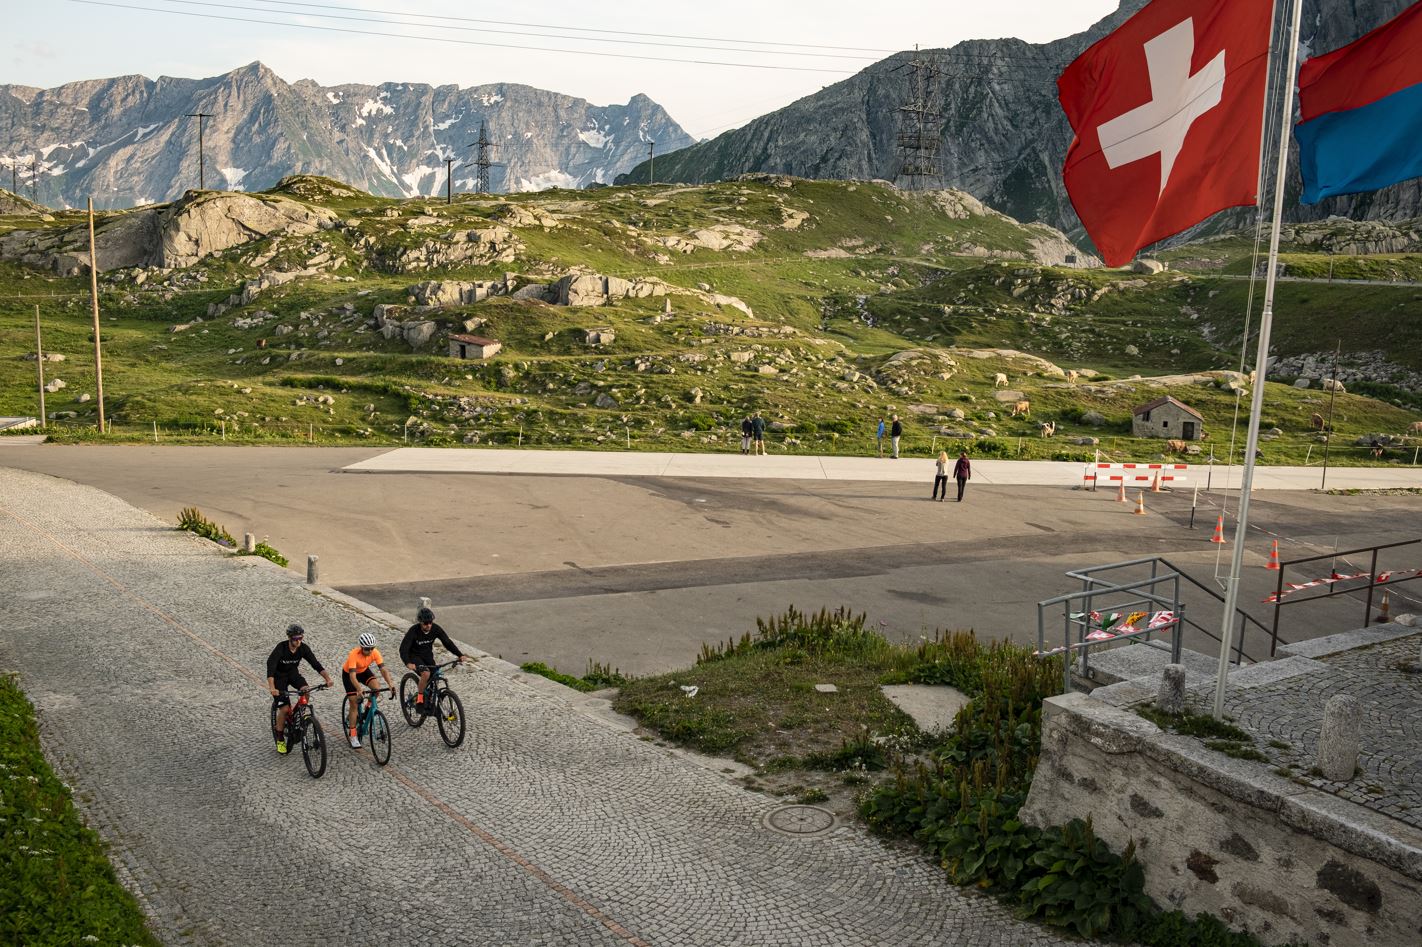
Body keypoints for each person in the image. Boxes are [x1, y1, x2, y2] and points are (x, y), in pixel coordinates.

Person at [266, 623, 333, 754]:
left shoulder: (303, 648)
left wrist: (328, 679)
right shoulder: (281, 648)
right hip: (279, 677)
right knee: (284, 709)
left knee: (306, 691)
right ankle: (280, 738)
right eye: (296, 639)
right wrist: (272, 687)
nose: (298, 641)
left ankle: (300, 714)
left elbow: (316, 664)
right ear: (290, 638)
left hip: (292, 674)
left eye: (300, 638)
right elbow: (270, 668)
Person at [399, 607, 470, 717]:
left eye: (430, 622)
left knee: (436, 674)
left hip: (427, 656)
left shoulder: (435, 629)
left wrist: (459, 654)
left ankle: (430, 704)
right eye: (425, 623)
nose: (428, 625)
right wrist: (408, 663)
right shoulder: (413, 631)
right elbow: (403, 648)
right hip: (414, 656)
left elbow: (447, 642)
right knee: (426, 673)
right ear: (420, 622)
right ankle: (420, 700)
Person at [341, 632, 397, 749]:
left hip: (363, 671)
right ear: (361, 648)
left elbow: (383, 669)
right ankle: (353, 735)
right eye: (367, 649)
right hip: (349, 675)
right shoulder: (353, 654)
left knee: (376, 689)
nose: (370, 651)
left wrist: (390, 683)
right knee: (354, 703)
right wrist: (359, 689)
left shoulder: (375, 652)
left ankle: (367, 709)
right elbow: (352, 677)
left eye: (372, 648)